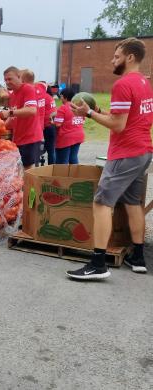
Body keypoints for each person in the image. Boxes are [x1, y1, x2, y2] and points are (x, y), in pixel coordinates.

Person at [67, 38, 153, 280]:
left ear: (130, 58)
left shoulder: (123, 84)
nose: (112, 60)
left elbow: (118, 125)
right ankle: (137, 257)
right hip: (143, 151)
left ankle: (98, 263)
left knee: (101, 203)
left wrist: (90, 113)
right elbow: (125, 117)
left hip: (125, 154)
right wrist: (99, 112)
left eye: (116, 57)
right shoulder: (144, 83)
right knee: (132, 203)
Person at [0, 66, 43, 169]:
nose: (7, 82)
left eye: (10, 79)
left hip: (30, 138)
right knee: (19, 170)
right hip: (19, 139)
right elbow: (13, 118)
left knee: (28, 171)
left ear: (19, 77)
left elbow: (31, 110)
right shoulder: (13, 95)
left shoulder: (28, 89)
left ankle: (31, 186)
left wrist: (9, 113)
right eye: (5, 80)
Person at [54, 88, 85, 164]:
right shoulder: (78, 107)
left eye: (61, 96)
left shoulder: (63, 108)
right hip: (78, 136)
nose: (60, 98)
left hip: (66, 138)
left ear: (65, 97)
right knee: (73, 158)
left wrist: (52, 121)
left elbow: (58, 124)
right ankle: (74, 175)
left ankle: (61, 176)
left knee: (62, 161)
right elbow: (83, 121)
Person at [43, 84, 57, 164]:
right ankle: (52, 168)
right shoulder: (50, 97)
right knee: (51, 150)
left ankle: (50, 168)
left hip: (46, 125)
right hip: (52, 125)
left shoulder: (44, 97)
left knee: (50, 151)